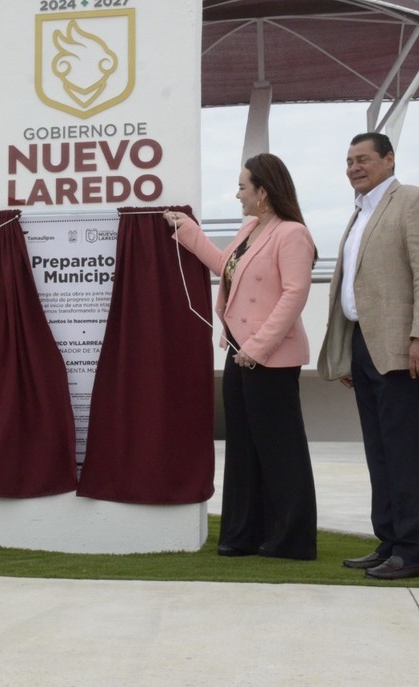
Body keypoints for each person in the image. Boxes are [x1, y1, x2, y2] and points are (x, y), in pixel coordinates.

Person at [318, 132, 419, 581]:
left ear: (388, 159)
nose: (354, 167)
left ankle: (412, 551)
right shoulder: (359, 212)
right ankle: (389, 541)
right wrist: (348, 351)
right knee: (378, 452)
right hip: (363, 345)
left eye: (363, 159)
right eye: (348, 160)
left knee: (401, 451)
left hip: (402, 348)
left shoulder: (413, 201)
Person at [164, 153, 319, 560]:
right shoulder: (251, 228)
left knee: (280, 449)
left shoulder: (292, 234)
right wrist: (189, 231)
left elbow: (294, 295)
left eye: (242, 187)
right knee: (244, 446)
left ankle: (291, 540)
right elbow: (224, 266)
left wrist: (258, 347)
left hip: (270, 357)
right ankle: (243, 534)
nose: (238, 195)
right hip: (237, 350)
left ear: (263, 192)